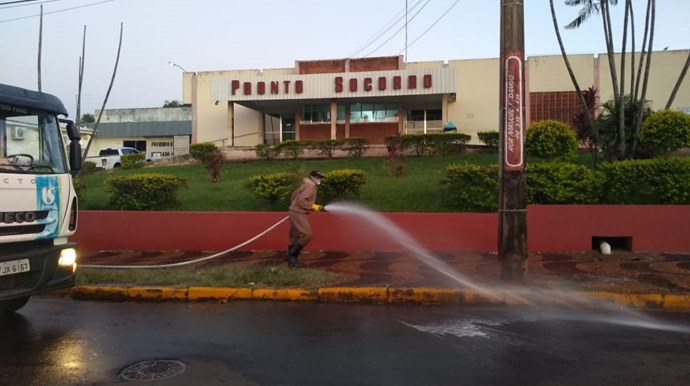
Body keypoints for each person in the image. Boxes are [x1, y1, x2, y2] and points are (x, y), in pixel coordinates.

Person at [286, 170, 325, 268]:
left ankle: (290, 256)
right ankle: (292, 256)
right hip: (299, 213)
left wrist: (292, 207)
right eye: (317, 177)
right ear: (311, 177)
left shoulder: (305, 185)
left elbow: (293, 195)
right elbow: (301, 201)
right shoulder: (310, 187)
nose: (319, 179)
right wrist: (313, 207)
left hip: (294, 211)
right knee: (306, 235)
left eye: (320, 178)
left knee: (295, 235)